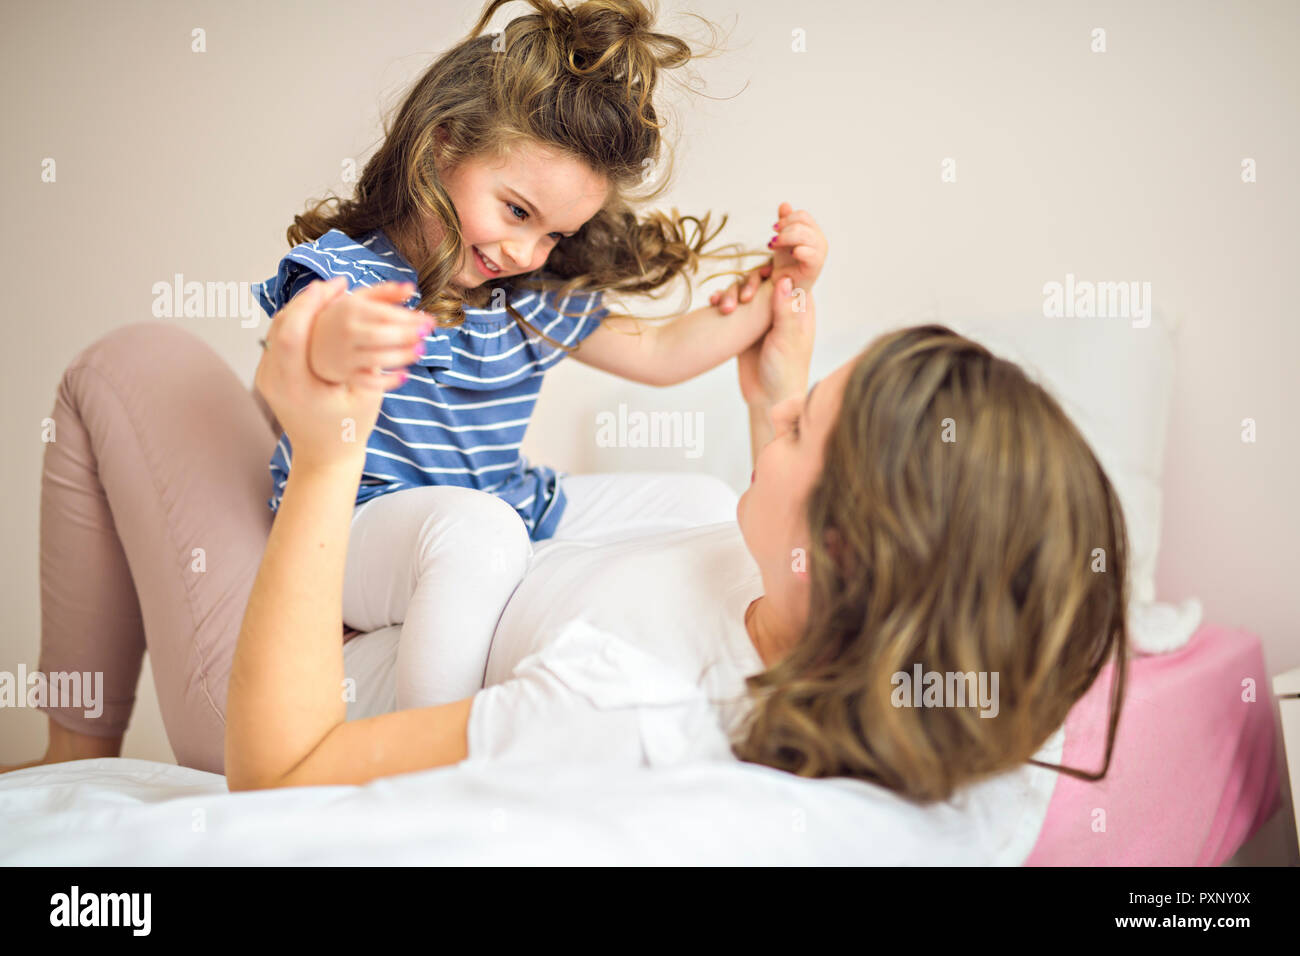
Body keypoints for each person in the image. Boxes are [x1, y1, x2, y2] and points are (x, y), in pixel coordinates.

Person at [6, 262, 1128, 804]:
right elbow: (778, 568)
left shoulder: (616, 701)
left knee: (131, 362)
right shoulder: (813, 624)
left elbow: (289, 768)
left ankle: (67, 762)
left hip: (291, 690)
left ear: (839, 546)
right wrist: (770, 396)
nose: (772, 424)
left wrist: (330, 452)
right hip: (414, 583)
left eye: (797, 429)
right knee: (681, 492)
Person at [250, 0, 831, 709]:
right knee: (477, 536)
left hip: (501, 503)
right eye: (518, 212)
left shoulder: (523, 295)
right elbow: (305, 340)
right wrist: (342, 343)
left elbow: (663, 353)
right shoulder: (354, 275)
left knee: (700, 501)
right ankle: (428, 759)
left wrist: (779, 288)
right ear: (441, 148)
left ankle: (712, 703)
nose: (526, 252)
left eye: (554, 235)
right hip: (357, 528)